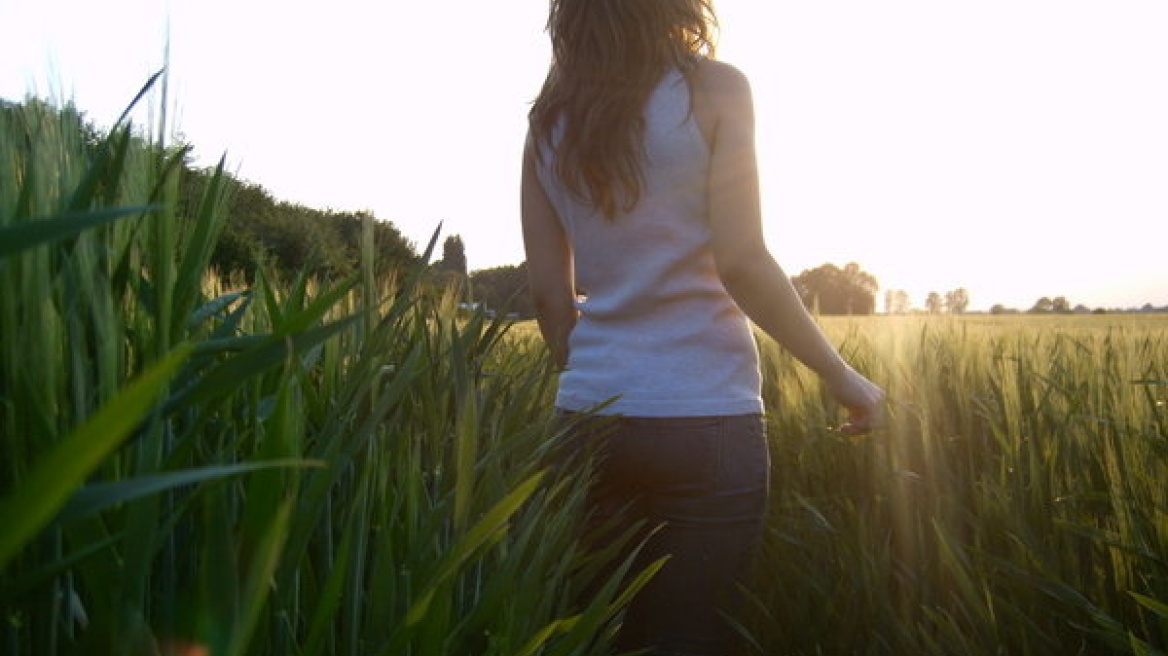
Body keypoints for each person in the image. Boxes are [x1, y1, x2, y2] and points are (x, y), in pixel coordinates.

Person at [520, 1, 886, 653]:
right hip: (707, 417)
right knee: (688, 637)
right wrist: (841, 375)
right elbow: (742, 261)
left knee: (597, 632)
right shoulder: (716, 88)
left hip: (587, 415)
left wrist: (595, 382)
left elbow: (551, 295)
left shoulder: (548, 118)